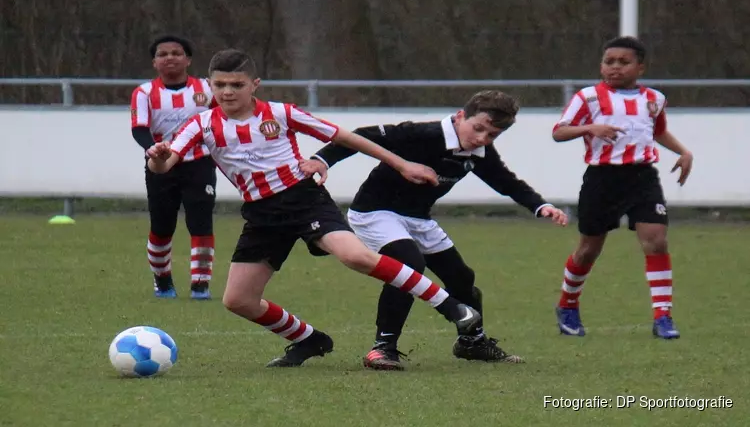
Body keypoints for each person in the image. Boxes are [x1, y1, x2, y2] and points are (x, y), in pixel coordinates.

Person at [146, 48, 482, 368]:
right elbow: (166, 163)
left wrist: (401, 164)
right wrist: (157, 161)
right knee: (238, 301)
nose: (228, 92)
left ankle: (451, 307)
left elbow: (348, 138)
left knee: (355, 256)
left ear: (254, 85)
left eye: (237, 85)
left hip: (303, 200)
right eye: (219, 85)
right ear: (209, 85)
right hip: (261, 216)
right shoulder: (200, 125)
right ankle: (310, 339)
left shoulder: (281, 113)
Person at [302, 90, 569, 371]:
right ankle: (383, 349)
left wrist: (541, 207)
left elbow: (505, 182)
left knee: (461, 278)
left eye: (491, 135)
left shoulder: (478, 153)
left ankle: (472, 343)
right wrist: (323, 159)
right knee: (408, 266)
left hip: (418, 219)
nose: (481, 138)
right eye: (478, 128)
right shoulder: (421, 134)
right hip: (375, 212)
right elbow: (361, 135)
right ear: (460, 116)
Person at [551, 36, 693, 340]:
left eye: (623, 62)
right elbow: (559, 132)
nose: (614, 67)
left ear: (640, 67)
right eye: (609, 61)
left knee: (656, 241)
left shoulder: (654, 99)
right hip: (602, 180)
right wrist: (590, 128)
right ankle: (567, 305)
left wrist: (684, 151)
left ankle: (663, 317)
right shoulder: (588, 97)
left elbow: (659, 131)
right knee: (589, 250)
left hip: (642, 178)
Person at [130, 35, 218, 300]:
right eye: (163, 54)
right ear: (155, 62)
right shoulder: (144, 93)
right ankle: (163, 281)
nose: (170, 58)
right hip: (161, 165)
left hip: (199, 163)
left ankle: (200, 286)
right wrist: (153, 150)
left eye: (176, 53)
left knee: (201, 224)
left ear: (188, 60)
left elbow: (221, 121)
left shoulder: (207, 88)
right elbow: (139, 129)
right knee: (162, 226)